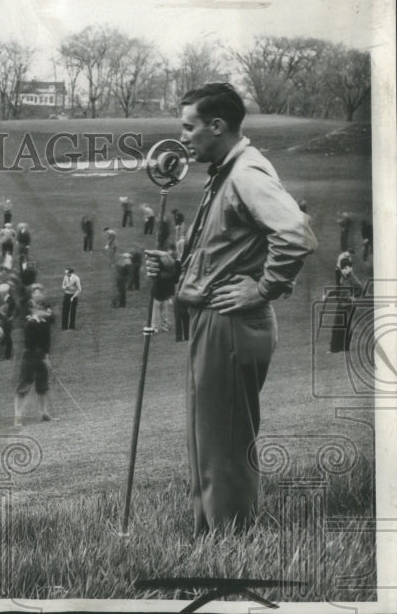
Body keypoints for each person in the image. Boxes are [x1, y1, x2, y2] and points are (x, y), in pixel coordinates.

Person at [145, 82, 317, 534]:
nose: (183, 137)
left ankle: (229, 546)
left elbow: (295, 234)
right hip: (216, 321)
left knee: (222, 442)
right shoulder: (226, 170)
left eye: (189, 126)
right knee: (208, 438)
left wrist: (263, 289)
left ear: (216, 125)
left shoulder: (245, 173)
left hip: (232, 323)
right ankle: (213, 539)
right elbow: (224, 250)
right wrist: (174, 268)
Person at [14, 297, 55, 427]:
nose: (45, 311)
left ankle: (44, 413)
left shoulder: (45, 324)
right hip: (30, 357)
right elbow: (29, 342)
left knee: (42, 387)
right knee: (23, 387)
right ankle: (17, 417)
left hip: (41, 357)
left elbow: (47, 342)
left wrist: (46, 358)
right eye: (41, 309)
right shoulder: (29, 324)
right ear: (35, 310)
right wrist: (40, 354)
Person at [329, 257, 364, 353]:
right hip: (341, 304)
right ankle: (335, 348)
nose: (344, 271)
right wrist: (329, 294)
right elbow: (339, 289)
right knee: (337, 326)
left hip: (348, 306)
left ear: (349, 268)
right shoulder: (343, 278)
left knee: (345, 326)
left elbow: (360, 288)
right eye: (342, 268)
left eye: (345, 268)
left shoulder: (352, 278)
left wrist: (354, 297)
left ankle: (345, 348)